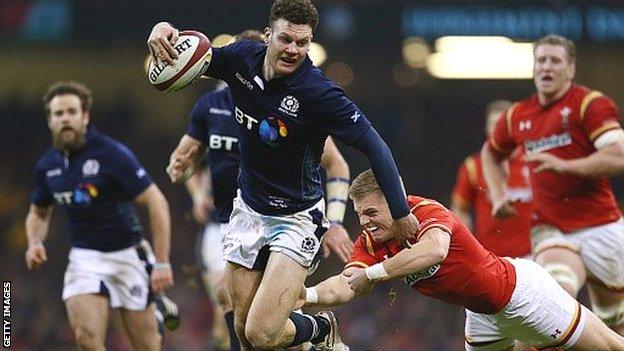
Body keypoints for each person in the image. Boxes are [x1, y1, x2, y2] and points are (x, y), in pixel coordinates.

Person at [147, 0, 419, 349]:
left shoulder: (319, 94)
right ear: (268, 36)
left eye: (302, 43)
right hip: (248, 209)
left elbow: (375, 146)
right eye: (286, 39)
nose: (293, 50)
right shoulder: (243, 59)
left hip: (296, 219)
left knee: (262, 333)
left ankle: (320, 329)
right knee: (244, 333)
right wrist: (163, 30)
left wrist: (400, 211)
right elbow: (198, 53)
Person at [167, 29, 353, 351]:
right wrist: (194, 189)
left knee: (263, 328)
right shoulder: (210, 107)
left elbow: (336, 164)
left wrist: (334, 222)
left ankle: (316, 333)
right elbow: (185, 160)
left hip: (282, 221)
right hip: (225, 222)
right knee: (236, 313)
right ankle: (316, 333)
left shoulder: (286, 109)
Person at [300, 169, 624, 350]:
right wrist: (307, 296)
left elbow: (434, 251)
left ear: (396, 200)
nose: (365, 222)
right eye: (359, 214)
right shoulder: (372, 241)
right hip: (483, 316)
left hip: (522, 295)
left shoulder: (425, 211)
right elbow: (346, 285)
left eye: (371, 212)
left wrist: (374, 274)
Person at [481, 34, 624, 335]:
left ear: (570, 69)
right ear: (533, 68)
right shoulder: (517, 115)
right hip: (551, 228)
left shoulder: (590, 104)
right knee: (550, 306)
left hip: (602, 226)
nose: (547, 66)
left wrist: (566, 166)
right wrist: (497, 195)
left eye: (555, 61)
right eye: (541, 60)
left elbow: (618, 156)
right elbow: (491, 153)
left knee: (615, 322)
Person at [25, 81, 175, 351]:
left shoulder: (112, 154)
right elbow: (38, 212)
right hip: (85, 258)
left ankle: (156, 308)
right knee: (86, 339)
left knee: (147, 346)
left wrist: (162, 263)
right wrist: (35, 242)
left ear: (85, 117)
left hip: (129, 256)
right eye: (58, 114)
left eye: (72, 112)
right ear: (50, 121)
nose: (65, 119)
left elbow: (157, 203)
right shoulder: (47, 166)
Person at [451, 100, 533, 258]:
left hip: (532, 256)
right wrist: (467, 247)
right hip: (490, 257)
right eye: (493, 125)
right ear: (486, 129)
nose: (498, 130)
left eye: (502, 124)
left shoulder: (534, 161)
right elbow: (460, 209)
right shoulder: (473, 166)